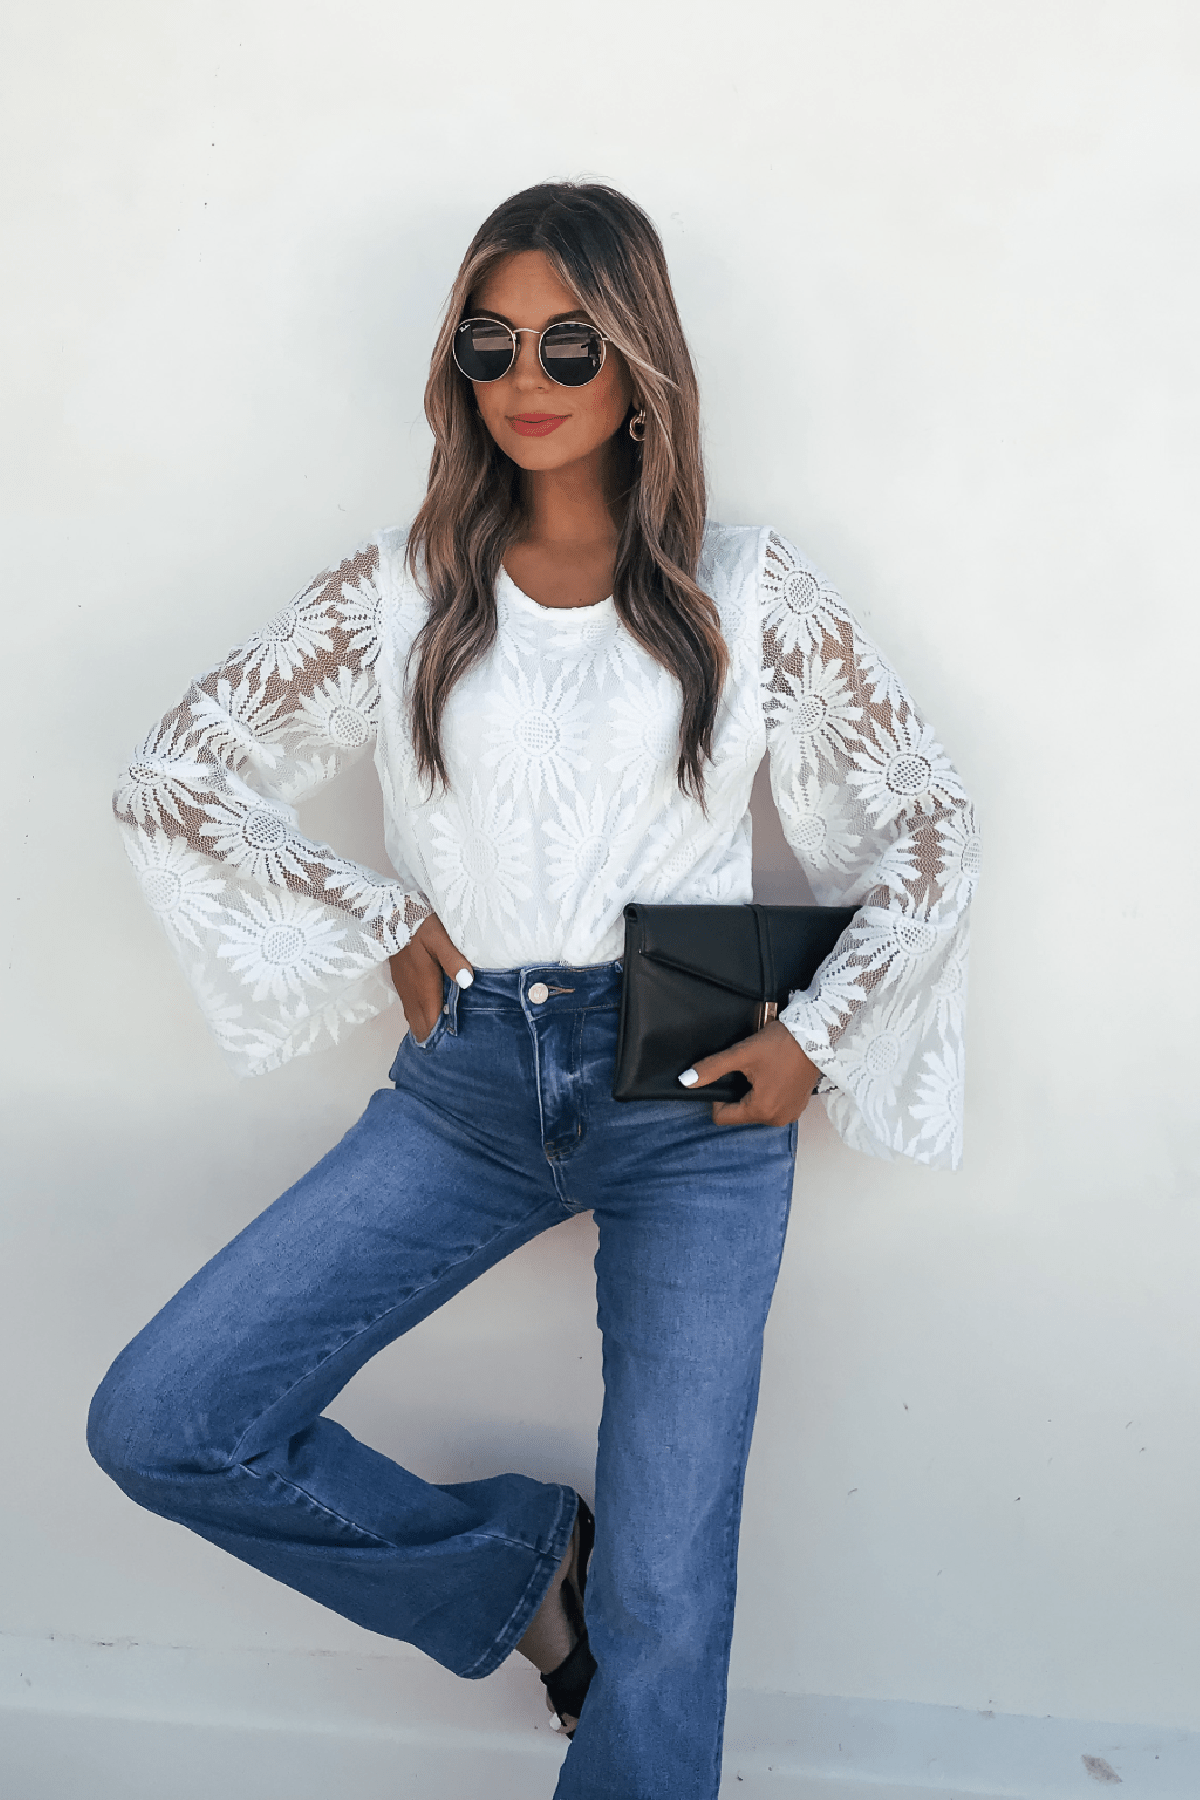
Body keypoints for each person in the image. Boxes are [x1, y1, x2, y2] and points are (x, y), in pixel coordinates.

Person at [87, 181, 979, 1799]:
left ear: (641, 363)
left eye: (571, 338)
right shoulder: (399, 589)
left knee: (668, 1592)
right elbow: (176, 776)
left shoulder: (750, 588)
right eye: (491, 342)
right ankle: (517, 1570)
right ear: (458, 370)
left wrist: (819, 1038)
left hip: (698, 1091)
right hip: (474, 1086)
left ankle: (598, 1609)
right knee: (166, 1420)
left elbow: (931, 820)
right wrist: (368, 911)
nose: (529, 373)